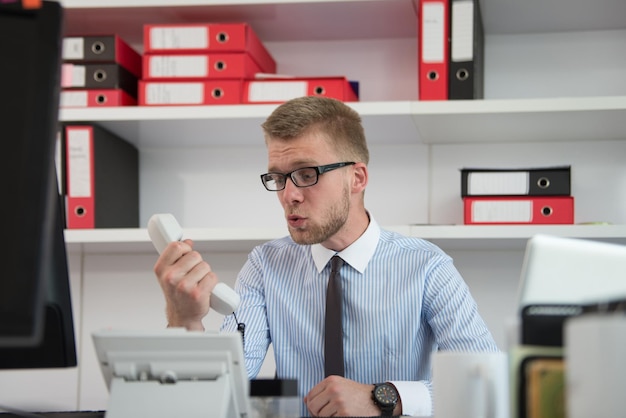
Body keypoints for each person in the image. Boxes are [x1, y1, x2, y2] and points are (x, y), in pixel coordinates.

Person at [153, 96, 499, 417]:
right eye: (278, 177)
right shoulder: (264, 265)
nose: (289, 195)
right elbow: (213, 395)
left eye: (307, 174)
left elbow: (487, 384)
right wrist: (184, 320)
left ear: (357, 178)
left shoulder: (426, 266)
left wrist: (384, 397)